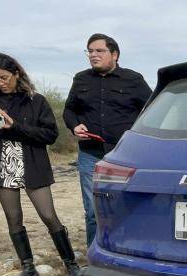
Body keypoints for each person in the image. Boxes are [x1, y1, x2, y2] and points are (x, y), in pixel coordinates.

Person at [0, 53, 82, 276]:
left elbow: (50, 135)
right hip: (2, 167)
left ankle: (71, 264)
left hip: (32, 165)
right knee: (13, 217)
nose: (0, 83)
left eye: (4, 77)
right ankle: (28, 266)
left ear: (16, 74)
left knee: (48, 215)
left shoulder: (36, 100)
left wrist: (15, 127)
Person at [63, 33, 152, 246]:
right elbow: (69, 110)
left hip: (124, 155)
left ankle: (127, 250)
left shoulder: (133, 79)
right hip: (90, 154)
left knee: (124, 206)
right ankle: (96, 256)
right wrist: (74, 125)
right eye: (90, 51)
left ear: (115, 54)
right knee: (93, 210)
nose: (93, 55)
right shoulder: (81, 79)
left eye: (99, 51)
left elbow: (151, 110)